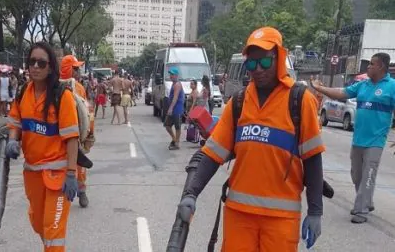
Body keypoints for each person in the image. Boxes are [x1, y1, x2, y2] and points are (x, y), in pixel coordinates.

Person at [176, 27, 325, 251]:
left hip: (281, 218)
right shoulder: (238, 102)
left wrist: (315, 211)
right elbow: (212, 154)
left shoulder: (300, 100)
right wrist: (191, 194)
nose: (258, 70)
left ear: (279, 57)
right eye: (251, 64)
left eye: (264, 62)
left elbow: (313, 159)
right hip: (239, 216)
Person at [5, 42, 79, 252]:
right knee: (39, 225)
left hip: (58, 176)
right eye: (32, 62)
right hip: (33, 173)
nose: (35, 67)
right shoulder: (23, 93)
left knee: (53, 233)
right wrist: (12, 140)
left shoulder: (61, 96)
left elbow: (72, 137)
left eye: (41, 63)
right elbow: (15, 123)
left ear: (50, 67)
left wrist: (72, 174)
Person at [311, 52, 395, 224]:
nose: (368, 67)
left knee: (368, 174)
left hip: (376, 141)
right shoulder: (363, 85)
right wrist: (320, 88)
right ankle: (367, 201)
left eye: (372, 64)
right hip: (358, 139)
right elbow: (341, 93)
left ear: (381, 67)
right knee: (356, 175)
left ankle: (361, 210)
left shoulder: (392, 86)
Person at [60, 54, 90, 208]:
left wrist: (88, 136)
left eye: (78, 68)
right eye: (75, 68)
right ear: (67, 69)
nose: (78, 72)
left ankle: (82, 192)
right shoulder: (53, 88)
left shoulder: (79, 88)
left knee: (79, 164)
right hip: (58, 135)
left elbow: (86, 113)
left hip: (76, 135)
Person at [165, 67, 185, 150]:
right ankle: (174, 139)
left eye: (172, 74)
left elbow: (175, 97)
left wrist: (170, 108)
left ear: (176, 75)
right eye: (170, 74)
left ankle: (177, 143)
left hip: (177, 109)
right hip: (173, 108)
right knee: (167, 125)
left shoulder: (177, 84)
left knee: (177, 127)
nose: (171, 76)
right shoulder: (173, 84)